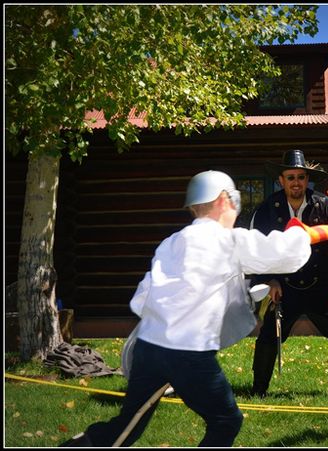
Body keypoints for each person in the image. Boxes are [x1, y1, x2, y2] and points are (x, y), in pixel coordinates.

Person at [60, 170, 312, 447]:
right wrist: (298, 232)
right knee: (226, 420)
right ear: (223, 200)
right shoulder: (228, 240)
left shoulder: (171, 242)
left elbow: (144, 296)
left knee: (125, 428)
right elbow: (281, 254)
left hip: (149, 347)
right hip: (189, 355)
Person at [249, 149, 328, 400]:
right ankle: (258, 390)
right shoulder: (266, 211)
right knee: (269, 337)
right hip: (284, 289)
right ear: (281, 180)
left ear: (307, 179)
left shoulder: (325, 207)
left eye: (300, 177)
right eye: (290, 177)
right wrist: (268, 280)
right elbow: (255, 250)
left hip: (321, 288)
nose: (296, 182)